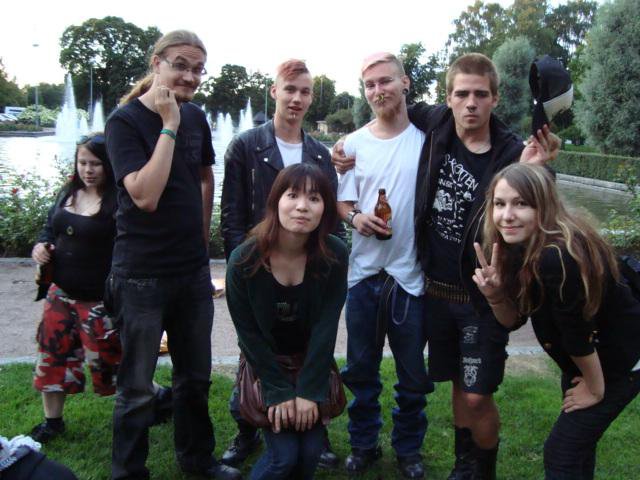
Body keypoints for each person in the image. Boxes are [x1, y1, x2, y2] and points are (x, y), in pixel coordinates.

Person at [333, 53, 554, 479]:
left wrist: (540, 168)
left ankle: (472, 467)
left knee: (469, 393)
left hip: (479, 293)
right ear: (448, 98)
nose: (470, 102)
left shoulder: (512, 152)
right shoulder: (436, 126)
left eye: (480, 94)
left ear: (495, 98)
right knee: (453, 384)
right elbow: (387, 110)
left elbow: (536, 201)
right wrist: (342, 150)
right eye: (461, 94)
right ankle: (461, 465)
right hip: (435, 292)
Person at [105, 30, 240, 480]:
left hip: (191, 272)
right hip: (140, 274)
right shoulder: (125, 122)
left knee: (194, 379)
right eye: (180, 65)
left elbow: (204, 176)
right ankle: (128, 471)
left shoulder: (197, 117)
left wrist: (201, 237)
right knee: (137, 388)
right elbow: (144, 195)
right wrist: (167, 124)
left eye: (198, 69)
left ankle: (198, 462)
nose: (190, 76)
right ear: (156, 63)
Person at [473, 163, 640, 479]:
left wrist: (595, 388)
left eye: (521, 203)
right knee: (578, 449)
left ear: (544, 205)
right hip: (584, 361)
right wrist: (495, 296)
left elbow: (576, 332)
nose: (507, 215)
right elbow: (512, 321)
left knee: (562, 453)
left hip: (618, 361)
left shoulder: (557, 254)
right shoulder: (519, 247)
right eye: (500, 203)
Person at [220, 59, 343, 469]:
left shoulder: (319, 154)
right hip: (260, 266)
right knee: (256, 345)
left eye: (305, 91)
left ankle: (312, 424)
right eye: (290, 89)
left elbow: (329, 217)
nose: (296, 98)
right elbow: (232, 213)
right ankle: (248, 425)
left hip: (306, 263)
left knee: (305, 336)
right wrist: (246, 268)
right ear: (274, 91)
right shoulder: (246, 145)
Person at [336, 52, 434, 479]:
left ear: (405, 82)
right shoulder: (352, 145)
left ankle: (408, 450)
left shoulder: (427, 141)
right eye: (370, 84)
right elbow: (342, 202)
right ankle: (363, 444)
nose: (378, 91)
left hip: (409, 279)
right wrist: (356, 218)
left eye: (385, 81)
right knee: (361, 372)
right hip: (363, 277)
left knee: (412, 377)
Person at [226, 163, 348, 479]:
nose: (302, 206)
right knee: (283, 458)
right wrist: (277, 390)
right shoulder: (244, 260)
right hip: (266, 364)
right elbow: (249, 335)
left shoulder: (335, 255)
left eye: (314, 198)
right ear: (276, 201)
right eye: (292, 195)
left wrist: (309, 391)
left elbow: (326, 327)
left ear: (325, 208)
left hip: (310, 362)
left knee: (309, 454)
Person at [30, 133, 120, 444]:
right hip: (60, 294)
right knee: (52, 357)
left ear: (108, 164)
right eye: (82, 163)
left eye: (95, 163)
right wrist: (40, 247)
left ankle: (156, 399)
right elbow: (48, 230)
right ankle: (52, 423)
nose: (88, 170)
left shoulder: (118, 202)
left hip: (97, 301)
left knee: (110, 364)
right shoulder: (68, 192)